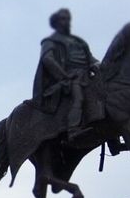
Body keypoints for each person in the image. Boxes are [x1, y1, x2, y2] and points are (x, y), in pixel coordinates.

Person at [33, 7, 101, 141]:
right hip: (69, 77)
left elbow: (90, 59)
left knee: (105, 95)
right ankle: (73, 130)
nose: (67, 22)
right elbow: (47, 59)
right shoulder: (50, 41)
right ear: (56, 22)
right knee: (78, 97)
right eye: (63, 19)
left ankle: (112, 140)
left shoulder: (78, 41)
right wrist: (64, 76)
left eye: (68, 19)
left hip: (86, 75)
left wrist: (99, 65)